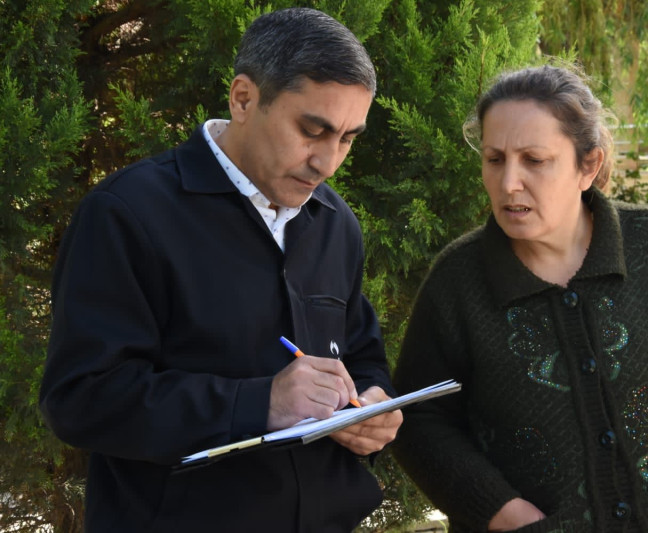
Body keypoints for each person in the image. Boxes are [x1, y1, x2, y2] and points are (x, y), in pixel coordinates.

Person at [39, 7, 402, 532]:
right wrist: (261, 403)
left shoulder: (335, 222)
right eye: (312, 130)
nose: (327, 162)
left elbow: (360, 353)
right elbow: (81, 399)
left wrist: (370, 405)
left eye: (347, 138)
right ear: (243, 98)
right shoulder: (127, 213)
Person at [391, 65, 648, 532]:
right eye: (495, 159)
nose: (509, 182)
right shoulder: (458, 282)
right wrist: (503, 512)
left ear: (588, 166)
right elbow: (420, 420)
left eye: (534, 160)